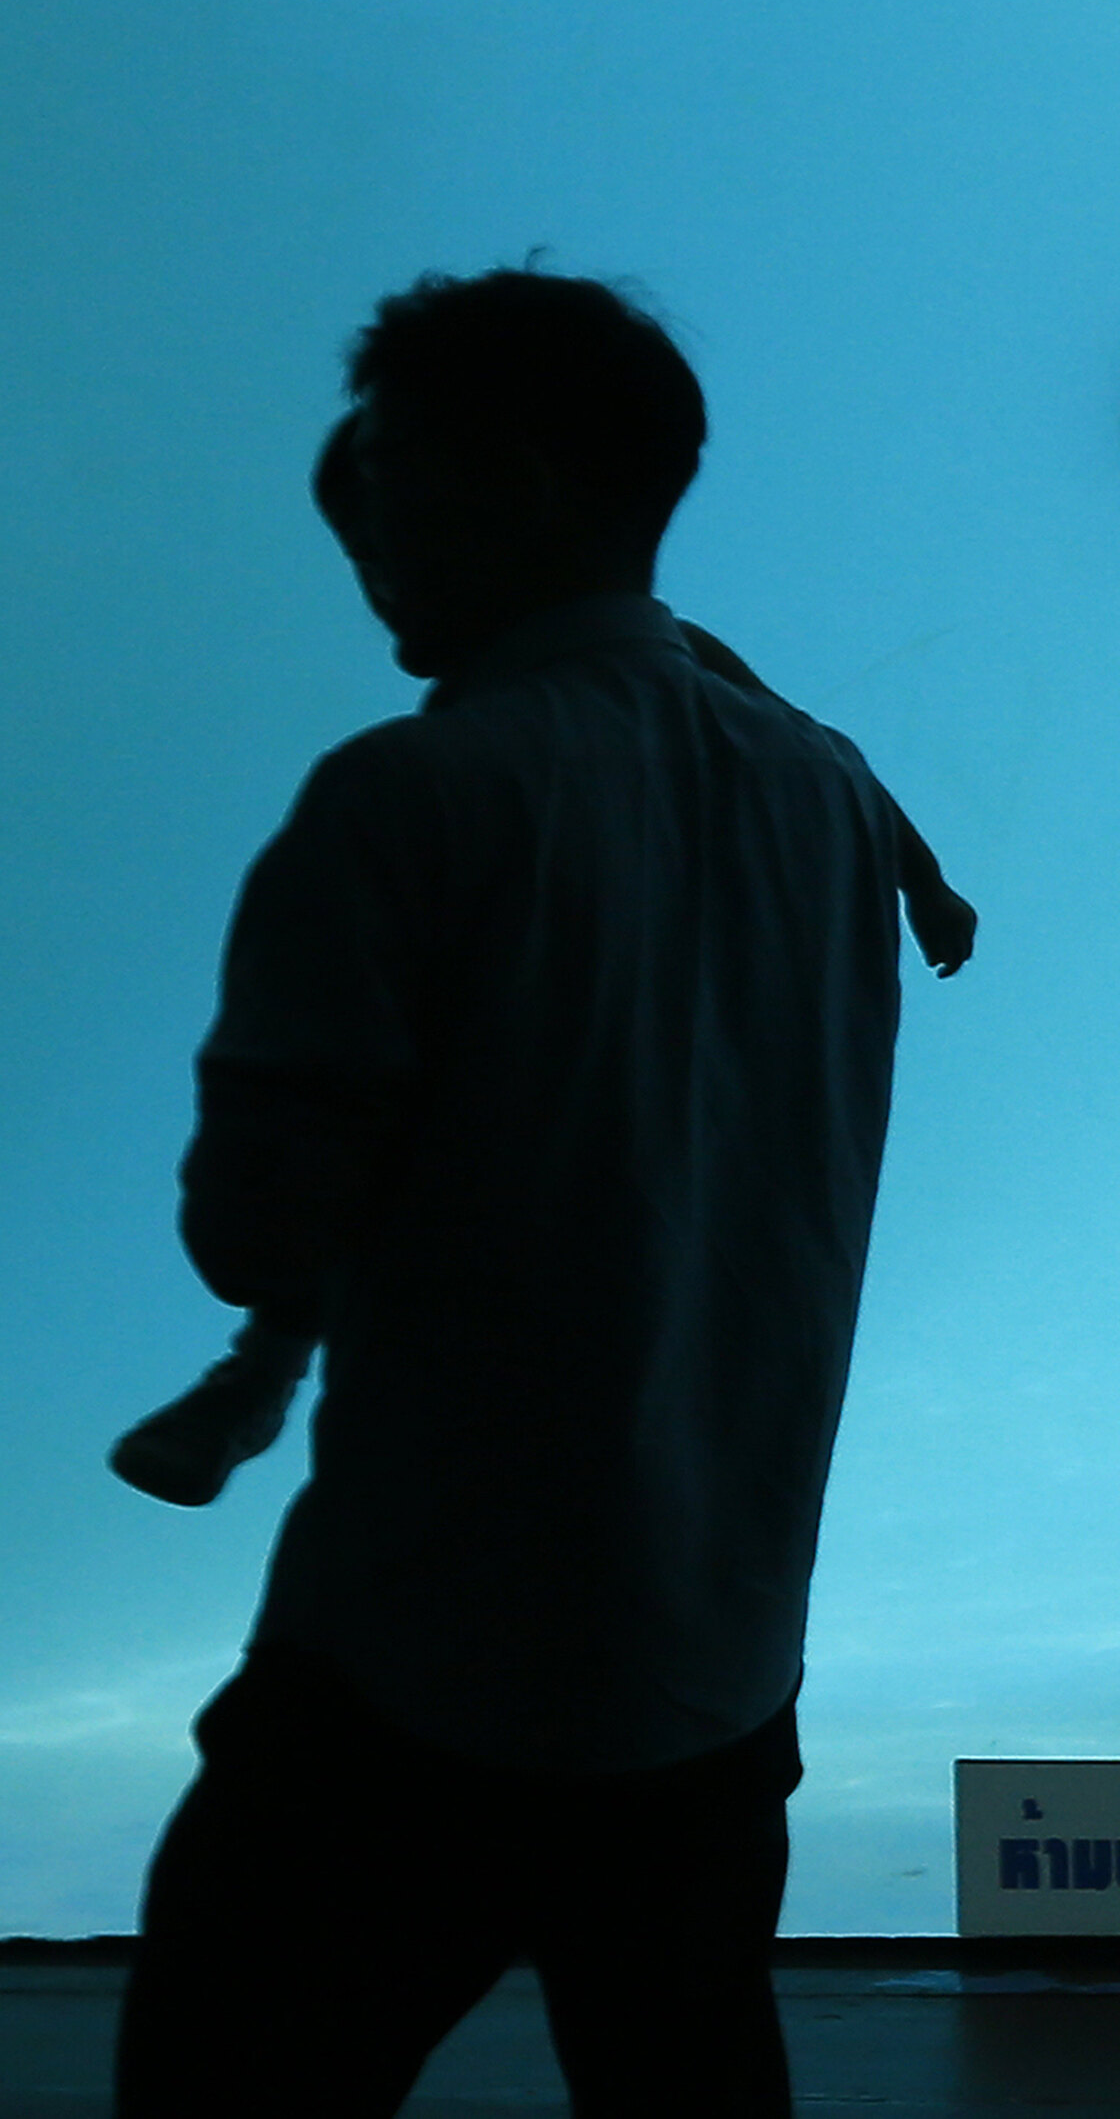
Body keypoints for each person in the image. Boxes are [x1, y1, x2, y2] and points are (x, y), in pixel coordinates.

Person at [116, 268, 949, 2117]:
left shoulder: (403, 801)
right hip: (716, 1676)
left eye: (398, 468)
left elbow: (248, 1228)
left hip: (414, 1679)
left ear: (513, 478)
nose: (365, 516)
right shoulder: (831, 807)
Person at [103, 418, 977, 1513]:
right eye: (365, 552)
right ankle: (264, 1369)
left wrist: (925, 878)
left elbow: (802, 728)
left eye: (395, 538)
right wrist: (922, 880)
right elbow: (814, 737)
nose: (379, 583)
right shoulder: (533, 736)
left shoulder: (450, 769)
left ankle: (263, 1369)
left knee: (417, 1110)